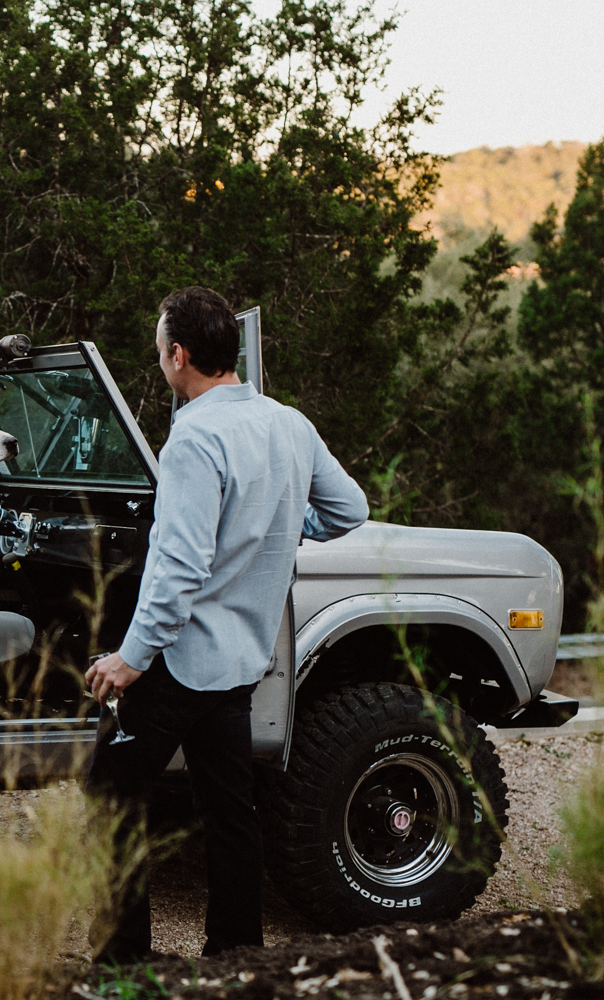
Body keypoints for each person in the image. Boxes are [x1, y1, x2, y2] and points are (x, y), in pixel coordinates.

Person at [85, 286, 369, 962]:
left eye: (160, 352)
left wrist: (130, 658)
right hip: (242, 660)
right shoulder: (289, 424)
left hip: (178, 662)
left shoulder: (193, 438)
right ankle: (236, 951)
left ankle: (124, 956)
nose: (160, 363)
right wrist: (275, 525)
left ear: (179, 356)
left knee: (110, 792)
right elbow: (349, 510)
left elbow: (177, 568)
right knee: (230, 812)